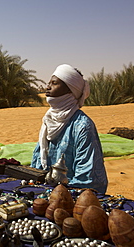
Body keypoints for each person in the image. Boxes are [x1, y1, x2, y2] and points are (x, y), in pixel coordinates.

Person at [31, 64, 108, 194]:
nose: (47, 87)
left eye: (54, 83)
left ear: (70, 90)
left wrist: (60, 191)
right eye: (49, 82)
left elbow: (88, 178)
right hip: (45, 190)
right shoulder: (48, 120)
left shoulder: (82, 126)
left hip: (70, 194)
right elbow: (38, 163)